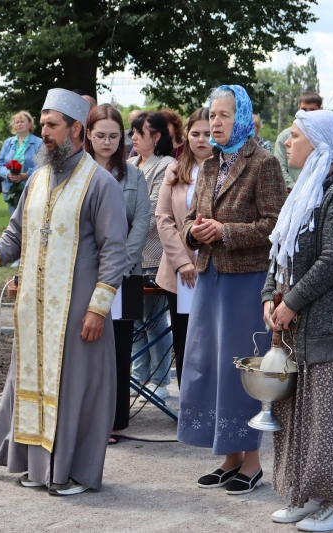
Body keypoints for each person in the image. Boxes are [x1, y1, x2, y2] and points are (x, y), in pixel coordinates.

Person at [0, 88, 128, 496]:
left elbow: (115, 253)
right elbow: (15, 236)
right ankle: (38, 467)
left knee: (72, 389)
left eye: (51, 125)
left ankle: (70, 472)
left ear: (76, 129)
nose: (43, 133)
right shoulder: (37, 178)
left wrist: (98, 309)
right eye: (42, 124)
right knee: (33, 385)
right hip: (35, 311)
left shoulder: (101, 184)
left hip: (78, 310)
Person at [178, 85, 286, 496]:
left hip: (245, 280)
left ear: (241, 116)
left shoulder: (265, 163)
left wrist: (225, 231)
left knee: (241, 368)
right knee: (209, 366)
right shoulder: (208, 164)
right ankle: (228, 459)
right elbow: (190, 217)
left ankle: (252, 463)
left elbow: (274, 226)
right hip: (209, 276)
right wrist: (195, 230)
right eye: (212, 115)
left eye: (223, 115)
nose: (214, 123)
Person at [263, 109, 333, 532]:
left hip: (331, 324)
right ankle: (304, 494)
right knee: (294, 414)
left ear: (320, 144)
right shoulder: (305, 187)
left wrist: (293, 302)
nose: (287, 142)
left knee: (327, 417)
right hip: (295, 325)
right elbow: (280, 248)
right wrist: (271, 295)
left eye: (294, 136)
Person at [84, 103, 150, 445]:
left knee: (119, 350)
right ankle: (83, 419)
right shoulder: (77, 173)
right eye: (100, 136)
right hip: (83, 276)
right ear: (88, 135)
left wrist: (117, 269)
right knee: (85, 348)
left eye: (113, 136)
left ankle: (111, 421)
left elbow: (140, 224)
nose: (107, 142)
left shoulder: (134, 175)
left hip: (125, 276)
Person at [155, 108, 209, 391]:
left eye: (208, 133)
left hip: (217, 268)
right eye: (196, 133)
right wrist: (182, 262)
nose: (202, 139)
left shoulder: (226, 170)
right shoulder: (174, 170)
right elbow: (163, 218)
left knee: (213, 340)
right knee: (185, 338)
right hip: (182, 273)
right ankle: (189, 407)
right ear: (186, 135)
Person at [128, 112, 176, 400]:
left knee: (155, 319)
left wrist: (123, 229)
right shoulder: (129, 164)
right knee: (133, 317)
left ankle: (159, 380)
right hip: (129, 256)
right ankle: (138, 376)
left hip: (154, 256)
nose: (132, 137)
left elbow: (155, 213)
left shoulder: (167, 165)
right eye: (132, 132)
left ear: (156, 137)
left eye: (139, 132)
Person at [0, 111, 42, 216]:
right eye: (17, 122)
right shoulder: (8, 142)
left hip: (31, 188)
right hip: (11, 189)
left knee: (30, 219)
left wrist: (25, 175)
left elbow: (42, 165)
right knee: (14, 221)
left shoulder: (39, 143)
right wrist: (8, 174)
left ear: (30, 124)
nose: (19, 124)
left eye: (22, 121)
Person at [274, 92, 323, 190]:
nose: (307, 114)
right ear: (298, 108)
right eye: (304, 109)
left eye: (312, 110)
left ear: (320, 110)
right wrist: (296, 190)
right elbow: (280, 168)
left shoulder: (325, 137)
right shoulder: (285, 137)